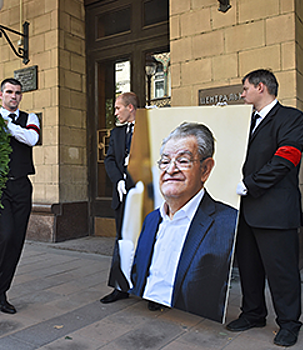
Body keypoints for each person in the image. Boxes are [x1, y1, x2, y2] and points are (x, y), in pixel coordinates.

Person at [226, 69, 303, 347]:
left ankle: (288, 323)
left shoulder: (291, 118)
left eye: (245, 88)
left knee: (281, 271)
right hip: (246, 211)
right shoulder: (245, 122)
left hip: (275, 211)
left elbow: (286, 159)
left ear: (261, 87)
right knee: (249, 268)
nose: (242, 93)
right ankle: (253, 313)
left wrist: (251, 184)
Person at [127, 123, 237, 322]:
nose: (171, 170)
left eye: (183, 161)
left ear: (205, 169)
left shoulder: (229, 224)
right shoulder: (151, 219)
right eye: (165, 161)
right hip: (141, 313)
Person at [0, 78, 40, 316]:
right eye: (9, 92)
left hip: (22, 187)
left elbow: (32, 139)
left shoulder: (30, 119)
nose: (13, 96)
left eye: (17, 93)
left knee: (16, 242)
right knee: (4, 236)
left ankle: (2, 294)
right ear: (1, 94)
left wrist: (7, 126)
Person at [100, 92, 138, 304]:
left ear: (130, 108)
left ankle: (146, 290)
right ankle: (120, 287)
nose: (115, 112)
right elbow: (110, 159)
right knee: (123, 239)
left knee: (145, 239)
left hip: (144, 192)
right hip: (122, 193)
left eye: (118, 108)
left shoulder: (147, 128)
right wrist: (119, 181)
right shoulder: (116, 133)